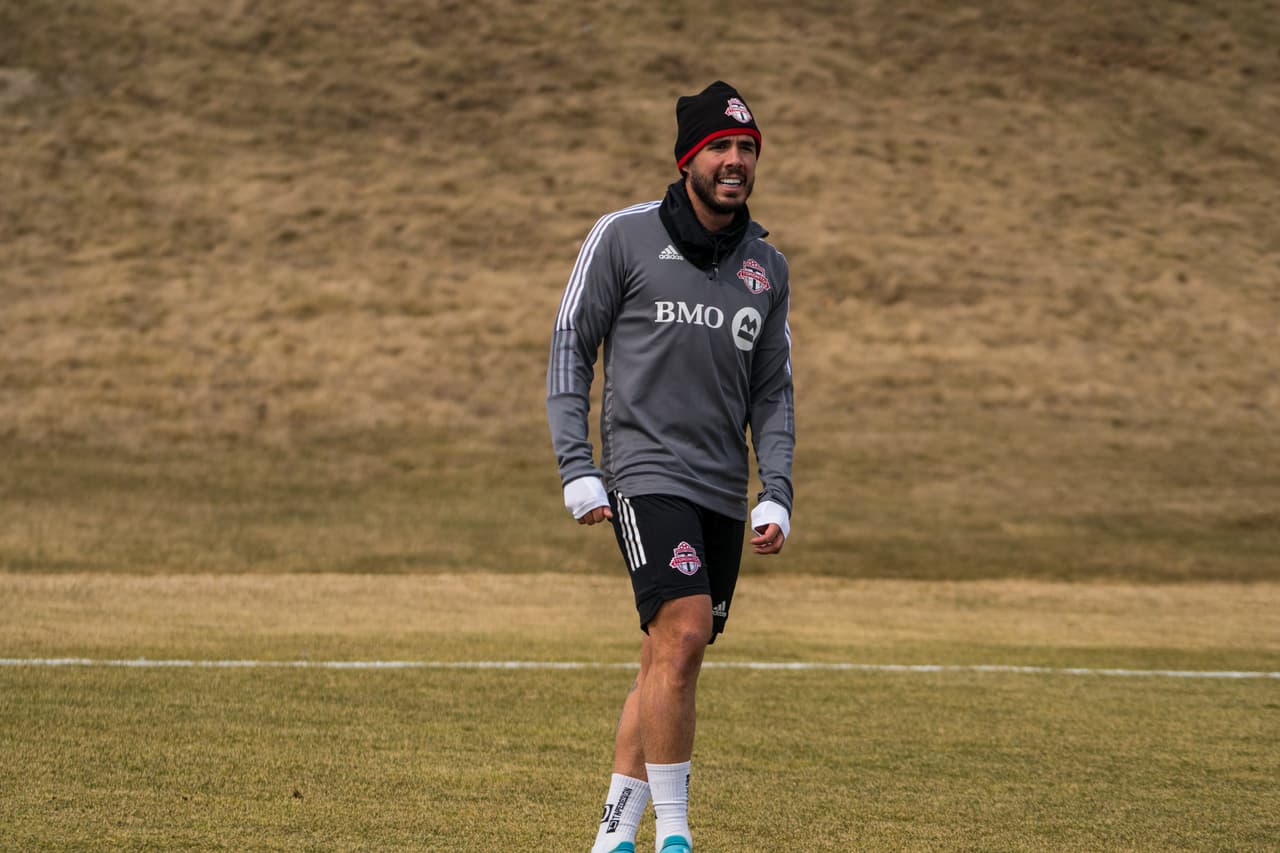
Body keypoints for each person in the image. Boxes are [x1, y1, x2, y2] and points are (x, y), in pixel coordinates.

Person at [546, 80, 795, 853]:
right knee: (684, 633)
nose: (734, 162)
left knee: (666, 653)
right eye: (720, 148)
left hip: (722, 486)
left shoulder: (767, 267)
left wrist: (776, 490)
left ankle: (614, 834)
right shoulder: (621, 238)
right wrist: (576, 464)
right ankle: (675, 835)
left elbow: (774, 390)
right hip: (643, 470)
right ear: (688, 158)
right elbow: (570, 346)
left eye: (746, 149)